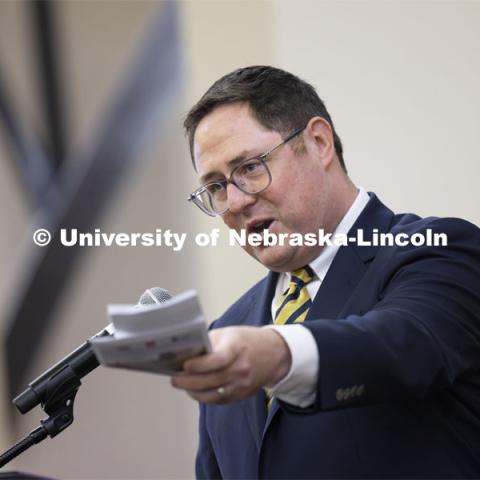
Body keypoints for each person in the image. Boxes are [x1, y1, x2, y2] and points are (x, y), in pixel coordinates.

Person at [170, 66, 480, 479]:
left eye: (248, 167)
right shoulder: (229, 328)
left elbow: (404, 346)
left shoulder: (438, 249)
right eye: (216, 187)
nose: (235, 202)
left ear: (318, 142)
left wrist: (279, 354)